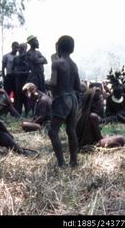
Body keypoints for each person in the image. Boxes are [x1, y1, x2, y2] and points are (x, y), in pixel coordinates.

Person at [48, 35, 81, 168]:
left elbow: (53, 83)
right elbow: (78, 87)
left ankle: (61, 163)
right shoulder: (74, 65)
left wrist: (46, 83)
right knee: (71, 130)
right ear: (72, 48)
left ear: (58, 47)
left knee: (52, 131)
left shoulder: (57, 63)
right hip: (73, 99)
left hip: (62, 99)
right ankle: (74, 162)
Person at [12, 43, 30, 115]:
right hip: (18, 79)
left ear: (26, 48)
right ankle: (18, 113)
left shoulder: (28, 58)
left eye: (22, 48)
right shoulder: (15, 58)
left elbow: (31, 68)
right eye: (19, 47)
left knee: (27, 96)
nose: (20, 49)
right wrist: (16, 73)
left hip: (27, 79)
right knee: (19, 95)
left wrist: (26, 73)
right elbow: (12, 69)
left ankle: (27, 112)